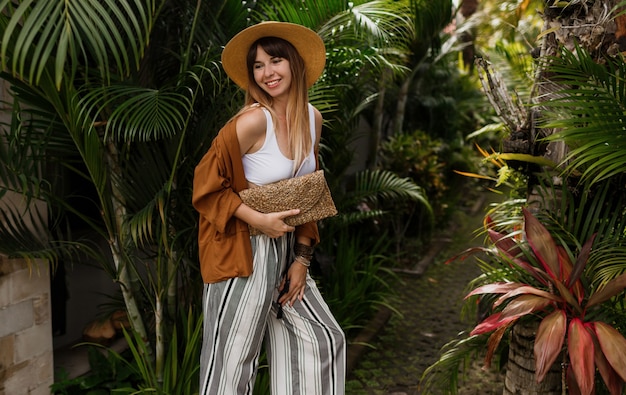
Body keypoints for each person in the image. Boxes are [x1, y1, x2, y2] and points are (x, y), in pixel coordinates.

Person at [192, 21, 346, 395]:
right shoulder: (251, 121)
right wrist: (257, 218)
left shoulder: (313, 118)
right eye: (258, 65)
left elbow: (306, 193)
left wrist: (302, 258)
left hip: (286, 251)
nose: (266, 73)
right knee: (232, 362)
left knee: (321, 340)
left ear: (294, 63)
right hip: (242, 249)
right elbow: (204, 185)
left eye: (275, 61)